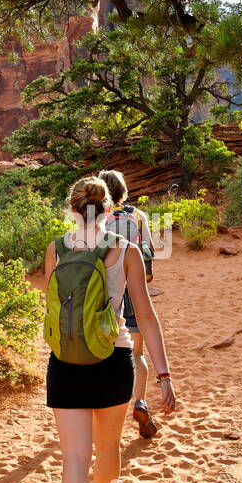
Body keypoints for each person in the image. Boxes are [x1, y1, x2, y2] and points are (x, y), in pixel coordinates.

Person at [44, 176, 176, 483]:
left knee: (73, 461)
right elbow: (147, 318)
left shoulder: (56, 249)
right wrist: (164, 376)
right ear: (108, 210)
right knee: (108, 448)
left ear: (71, 209)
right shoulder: (127, 251)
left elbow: (52, 309)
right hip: (114, 359)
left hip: (65, 363)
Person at [97, 169, 160, 440]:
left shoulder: (97, 217)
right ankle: (140, 402)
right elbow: (149, 253)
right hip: (133, 289)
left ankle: (104, 407)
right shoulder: (137, 216)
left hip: (106, 293)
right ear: (123, 190)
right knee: (136, 351)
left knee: (103, 352)